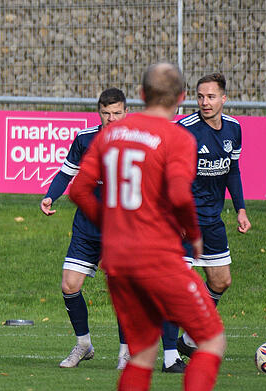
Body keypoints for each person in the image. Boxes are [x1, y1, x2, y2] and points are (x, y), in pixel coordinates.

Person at [70, 63, 226, 391]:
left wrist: (111, 223)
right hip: (159, 257)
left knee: (140, 354)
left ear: (140, 95)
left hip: (119, 262)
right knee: (210, 341)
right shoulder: (177, 138)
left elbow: (78, 189)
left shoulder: (111, 135)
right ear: (181, 98)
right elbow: (177, 194)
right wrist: (192, 235)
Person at [40, 88, 185, 372]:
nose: (111, 119)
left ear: (126, 112)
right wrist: (50, 196)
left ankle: (125, 351)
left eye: (117, 113)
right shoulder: (85, 139)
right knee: (69, 286)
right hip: (87, 226)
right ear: (99, 112)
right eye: (106, 113)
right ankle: (83, 344)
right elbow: (67, 172)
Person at [176, 73, 251, 357]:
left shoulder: (234, 129)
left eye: (210, 96)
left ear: (223, 99)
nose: (204, 102)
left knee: (221, 281)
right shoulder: (186, 129)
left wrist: (240, 209)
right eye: (200, 96)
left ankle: (189, 340)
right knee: (178, 287)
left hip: (212, 220)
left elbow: (233, 170)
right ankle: (169, 355)